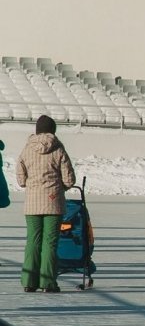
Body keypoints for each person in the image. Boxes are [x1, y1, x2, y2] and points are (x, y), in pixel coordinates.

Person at [16, 115, 76, 293]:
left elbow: (20, 179)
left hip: (32, 204)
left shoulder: (27, 149)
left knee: (32, 242)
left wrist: (32, 185)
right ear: (53, 130)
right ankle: (47, 282)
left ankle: (28, 281)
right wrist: (59, 188)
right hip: (53, 203)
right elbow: (69, 178)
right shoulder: (58, 149)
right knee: (49, 243)